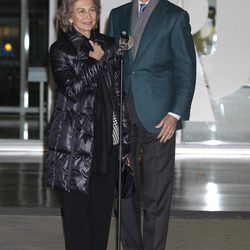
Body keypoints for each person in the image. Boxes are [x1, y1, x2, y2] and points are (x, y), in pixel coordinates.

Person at [107, 0, 196, 249]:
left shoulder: (176, 16)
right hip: (123, 117)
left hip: (160, 119)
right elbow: (114, 62)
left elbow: (186, 68)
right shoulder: (118, 14)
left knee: (157, 193)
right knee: (124, 190)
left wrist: (175, 113)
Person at [45, 0, 130, 249]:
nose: (88, 16)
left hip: (106, 140)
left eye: (92, 10)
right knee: (77, 220)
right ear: (69, 16)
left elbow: (118, 94)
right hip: (75, 145)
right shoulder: (60, 49)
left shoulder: (109, 44)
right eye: (80, 11)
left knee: (102, 218)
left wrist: (124, 141)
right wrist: (93, 62)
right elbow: (71, 90)